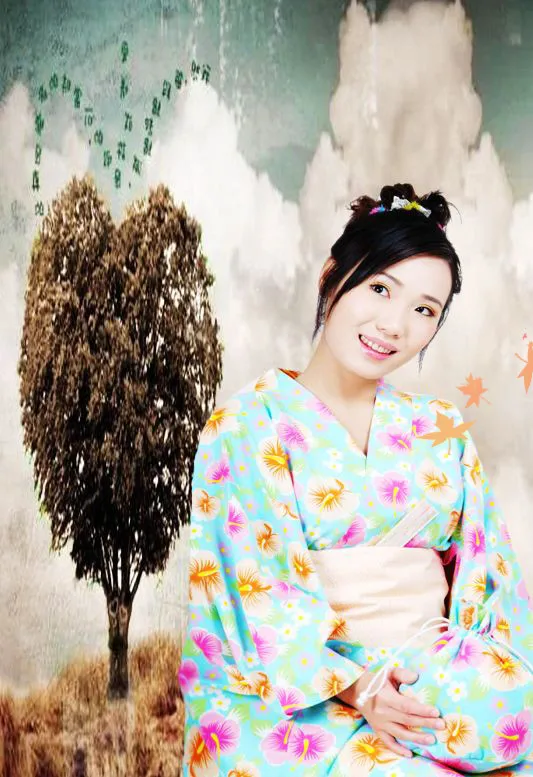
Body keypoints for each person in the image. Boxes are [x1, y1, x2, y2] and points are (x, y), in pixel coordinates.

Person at [179, 183, 532, 776]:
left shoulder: (439, 428)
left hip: (427, 678)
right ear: (331, 276)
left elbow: (488, 578)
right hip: (297, 700)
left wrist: (481, 680)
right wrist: (362, 686)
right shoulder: (246, 424)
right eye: (380, 288)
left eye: (424, 310)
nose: (394, 325)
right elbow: (256, 596)